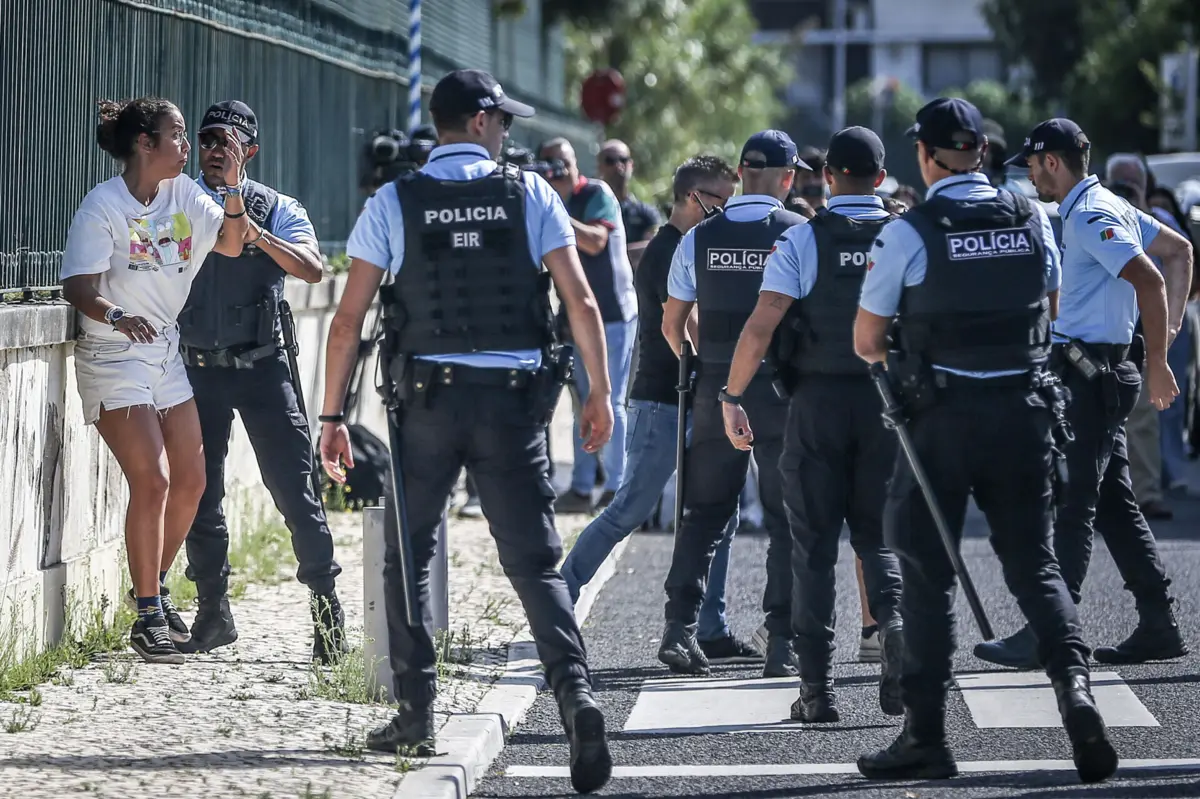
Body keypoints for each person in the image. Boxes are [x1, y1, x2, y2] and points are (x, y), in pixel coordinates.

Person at [317, 69, 614, 794]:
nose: (508, 131)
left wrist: (330, 416)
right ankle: (576, 696)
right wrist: (599, 392)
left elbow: (350, 319)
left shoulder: (395, 199)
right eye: (503, 120)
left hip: (427, 405)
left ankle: (416, 713)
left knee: (408, 554)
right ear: (480, 121)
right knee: (534, 561)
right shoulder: (532, 193)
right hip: (513, 405)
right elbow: (578, 298)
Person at [853, 99, 1117, 784]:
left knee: (926, 572)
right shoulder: (1032, 216)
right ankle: (1076, 693)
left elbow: (866, 340)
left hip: (941, 419)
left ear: (927, 155)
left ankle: (928, 737)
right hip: (1024, 412)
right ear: (981, 151)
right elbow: (1049, 308)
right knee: (1035, 563)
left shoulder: (910, 231)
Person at [975, 119, 1192, 670]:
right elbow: (1181, 250)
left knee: (1071, 505)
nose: (1028, 174)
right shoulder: (1107, 205)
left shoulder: (1092, 214)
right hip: (1097, 373)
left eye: (1031, 163)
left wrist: (1161, 357)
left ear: (1052, 161)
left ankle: (1052, 632)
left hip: (1090, 376)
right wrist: (1162, 338)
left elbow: (1151, 276)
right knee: (1115, 506)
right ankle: (1159, 623)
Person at [721, 126, 905, 722]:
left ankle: (817, 691)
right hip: (887, 404)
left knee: (814, 547)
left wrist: (731, 394)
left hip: (818, 404)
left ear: (827, 178)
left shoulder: (803, 240)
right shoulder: (905, 235)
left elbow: (761, 326)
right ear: (880, 178)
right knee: (880, 537)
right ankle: (894, 632)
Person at [60, 97, 250, 663]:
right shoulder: (103, 206)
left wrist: (234, 186)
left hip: (163, 351)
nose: (188, 146)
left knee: (192, 479)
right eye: (178, 136)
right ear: (145, 143)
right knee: (156, 480)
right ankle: (147, 615)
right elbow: (78, 287)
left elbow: (234, 243)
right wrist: (118, 315)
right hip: (112, 353)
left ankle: (155, 587)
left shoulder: (185, 194)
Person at [560, 155, 762, 664]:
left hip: (696, 397)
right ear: (694, 198)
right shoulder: (668, 251)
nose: (728, 209)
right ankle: (558, 601)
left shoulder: (696, 245)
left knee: (721, 515)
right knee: (629, 508)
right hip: (661, 399)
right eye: (720, 199)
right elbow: (687, 326)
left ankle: (710, 627)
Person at [175, 101, 345, 660]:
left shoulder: (278, 207)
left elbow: (314, 268)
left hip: (263, 367)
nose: (214, 151)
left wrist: (254, 233)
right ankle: (212, 612)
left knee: (295, 491)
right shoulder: (182, 203)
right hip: (197, 371)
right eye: (206, 141)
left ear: (249, 149)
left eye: (226, 141)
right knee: (200, 492)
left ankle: (326, 614)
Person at [657, 130, 810, 678]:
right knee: (787, 517)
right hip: (781, 391)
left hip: (714, 389)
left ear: (741, 174)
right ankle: (782, 642)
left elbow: (672, 324)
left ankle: (678, 628)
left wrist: (707, 367)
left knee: (702, 513)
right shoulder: (800, 234)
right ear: (789, 178)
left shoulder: (698, 237)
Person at [540, 137, 638, 514]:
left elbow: (597, 241)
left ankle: (617, 488)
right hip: (577, 317)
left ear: (575, 164)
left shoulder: (595, 193)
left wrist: (553, 211)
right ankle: (582, 487)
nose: (556, 172)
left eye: (560, 163)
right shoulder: (552, 201)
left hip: (612, 313)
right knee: (582, 402)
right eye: (548, 164)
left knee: (608, 398)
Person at [1106, 155, 1173, 519]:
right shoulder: (1096, 217)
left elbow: (1176, 264)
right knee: (1094, 413)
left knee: (1145, 416)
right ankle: (1094, 493)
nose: (1125, 192)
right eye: (1119, 184)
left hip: (1143, 328)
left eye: (1132, 185)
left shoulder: (1157, 224)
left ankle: (1146, 492)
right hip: (1104, 330)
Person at [596, 138, 663, 270]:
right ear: (600, 167)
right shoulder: (591, 208)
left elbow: (653, 249)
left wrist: (609, 256)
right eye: (610, 160)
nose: (618, 165)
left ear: (631, 165)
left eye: (623, 159)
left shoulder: (645, 212)